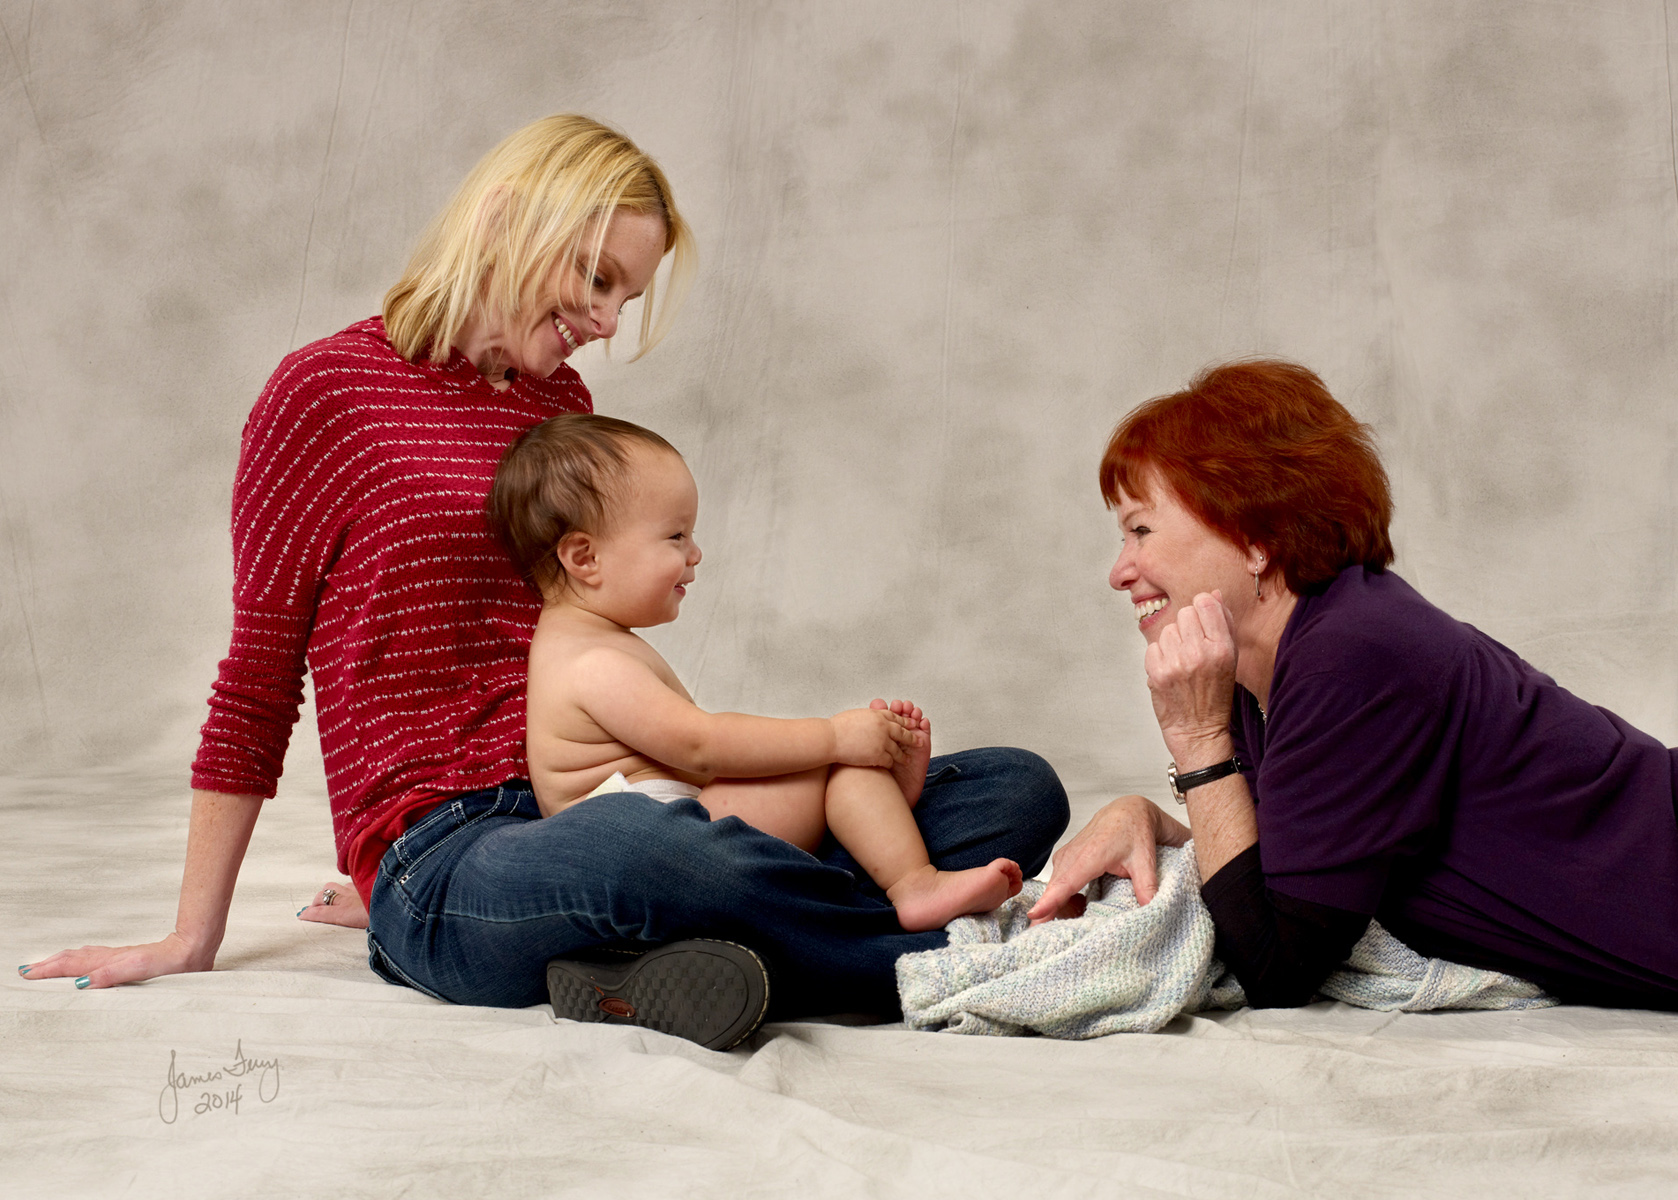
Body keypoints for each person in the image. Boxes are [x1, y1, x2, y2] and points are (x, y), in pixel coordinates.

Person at [20, 114, 1068, 1046]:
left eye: (628, 293)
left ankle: (632, 970)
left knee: (1014, 788)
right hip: (452, 853)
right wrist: (193, 933)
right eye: (598, 278)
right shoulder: (323, 394)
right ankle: (944, 965)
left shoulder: (557, 405)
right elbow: (257, 678)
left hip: (604, 793)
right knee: (654, 853)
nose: (610, 322)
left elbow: (594, 641)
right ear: (508, 217)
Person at [1030, 359, 1678, 1012]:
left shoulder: (1353, 650)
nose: (1119, 572)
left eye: (1142, 530)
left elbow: (1278, 966)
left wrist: (1199, 744)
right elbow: (1274, 869)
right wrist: (1148, 819)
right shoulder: (1264, 671)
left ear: (1254, 538)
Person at [486, 413, 1025, 932]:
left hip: (682, 821)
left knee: (1015, 785)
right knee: (832, 762)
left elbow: (700, 761)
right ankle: (912, 882)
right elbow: (701, 746)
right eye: (675, 537)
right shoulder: (592, 662)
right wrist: (834, 737)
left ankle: (869, 824)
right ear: (584, 558)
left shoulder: (589, 640)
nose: (695, 554)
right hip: (656, 848)